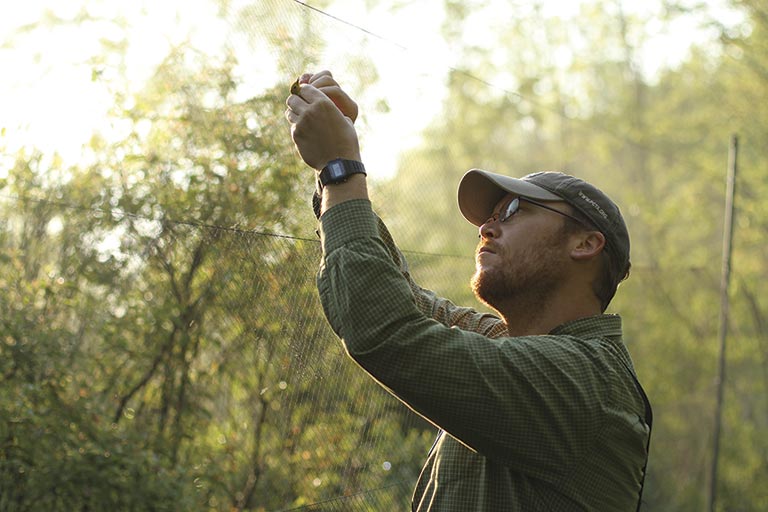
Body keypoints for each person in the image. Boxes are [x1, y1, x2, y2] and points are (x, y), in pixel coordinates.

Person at [285, 70, 652, 511]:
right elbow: (403, 302)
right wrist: (333, 169)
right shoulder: (514, 346)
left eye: (514, 209)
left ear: (586, 243)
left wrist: (341, 167)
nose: (486, 227)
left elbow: (383, 328)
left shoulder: (581, 382)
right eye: (491, 214)